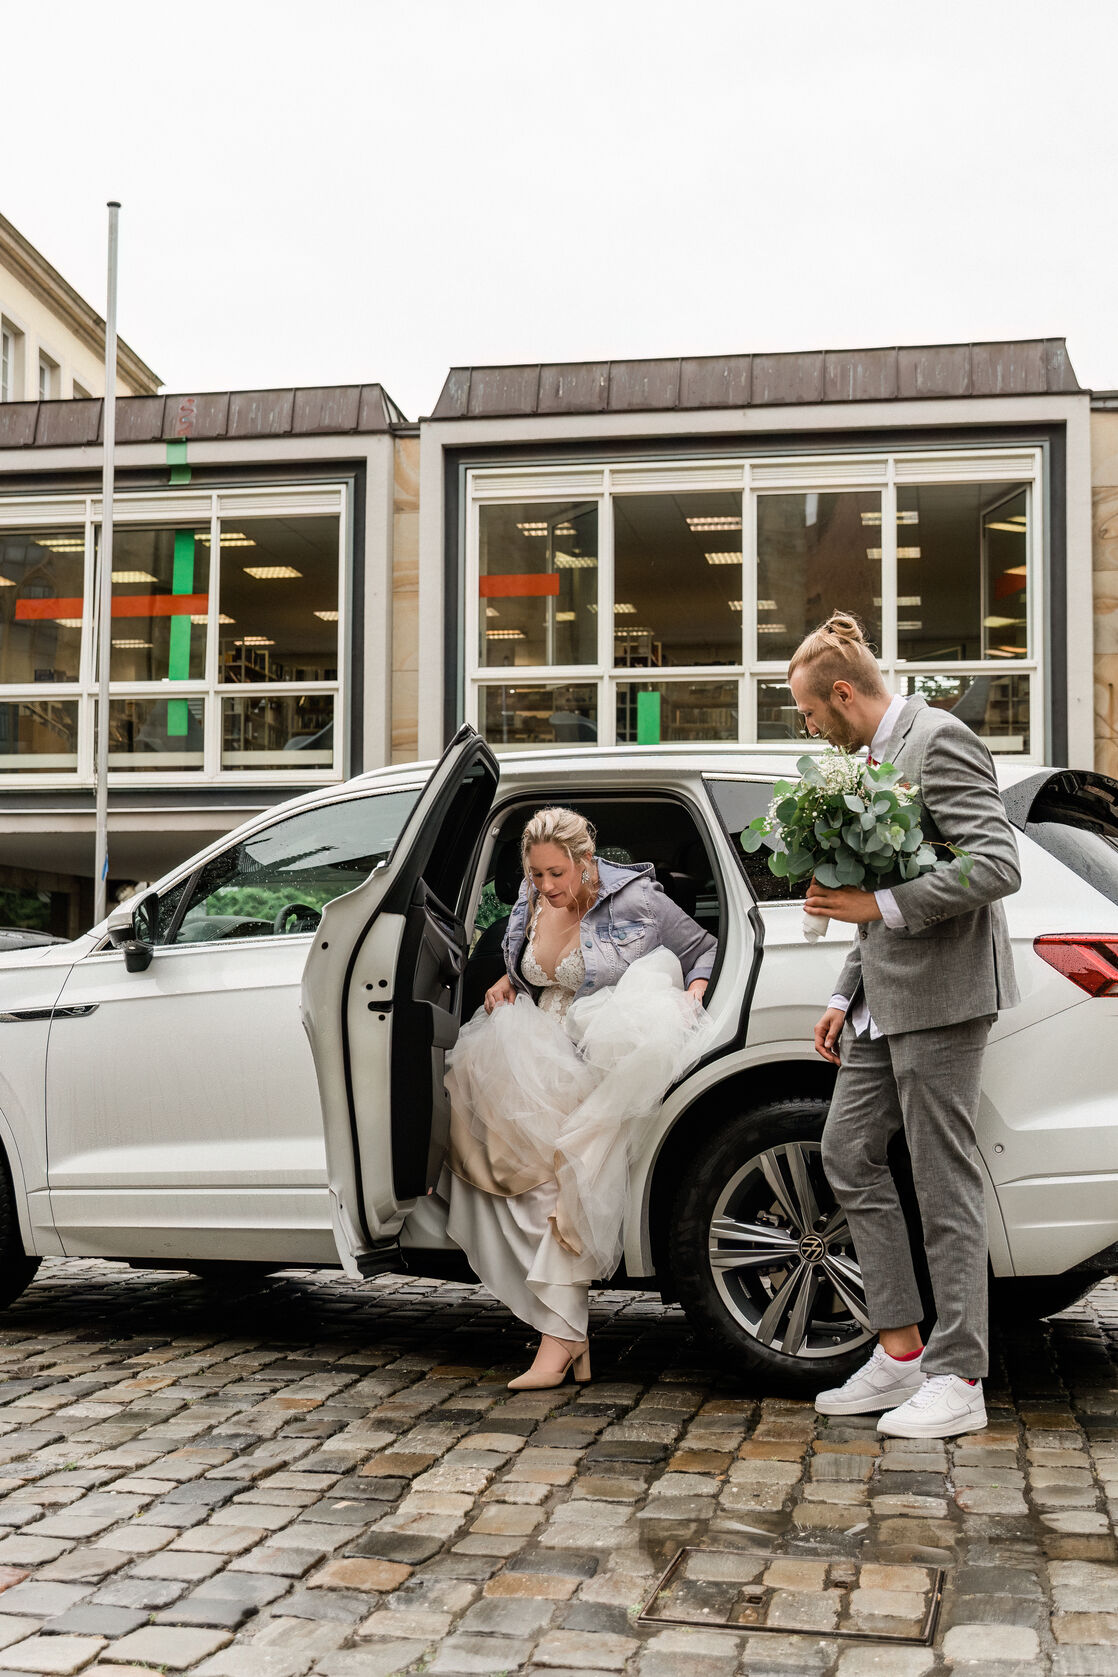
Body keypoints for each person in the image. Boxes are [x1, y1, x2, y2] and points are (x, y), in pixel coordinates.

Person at [789, 613, 1020, 1440]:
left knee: (941, 1176)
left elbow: (996, 865)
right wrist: (841, 991)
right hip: (880, 999)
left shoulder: (940, 741)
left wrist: (872, 905)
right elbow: (879, 887)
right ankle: (900, 1351)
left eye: (810, 713)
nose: (809, 726)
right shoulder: (873, 756)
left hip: (947, 996)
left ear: (843, 694)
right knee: (847, 1152)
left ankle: (960, 1378)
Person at [442, 806, 717, 1391]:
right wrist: (511, 979)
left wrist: (693, 992)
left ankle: (561, 1340)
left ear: (585, 862)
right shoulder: (530, 897)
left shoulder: (638, 899)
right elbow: (531, 962)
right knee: (503, 1180)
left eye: (555, 876)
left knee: (564, 1186)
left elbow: (703, 949)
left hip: (599, 1061)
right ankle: (563, 1329)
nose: (544, 888)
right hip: (533, 1055)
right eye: (535, 875)